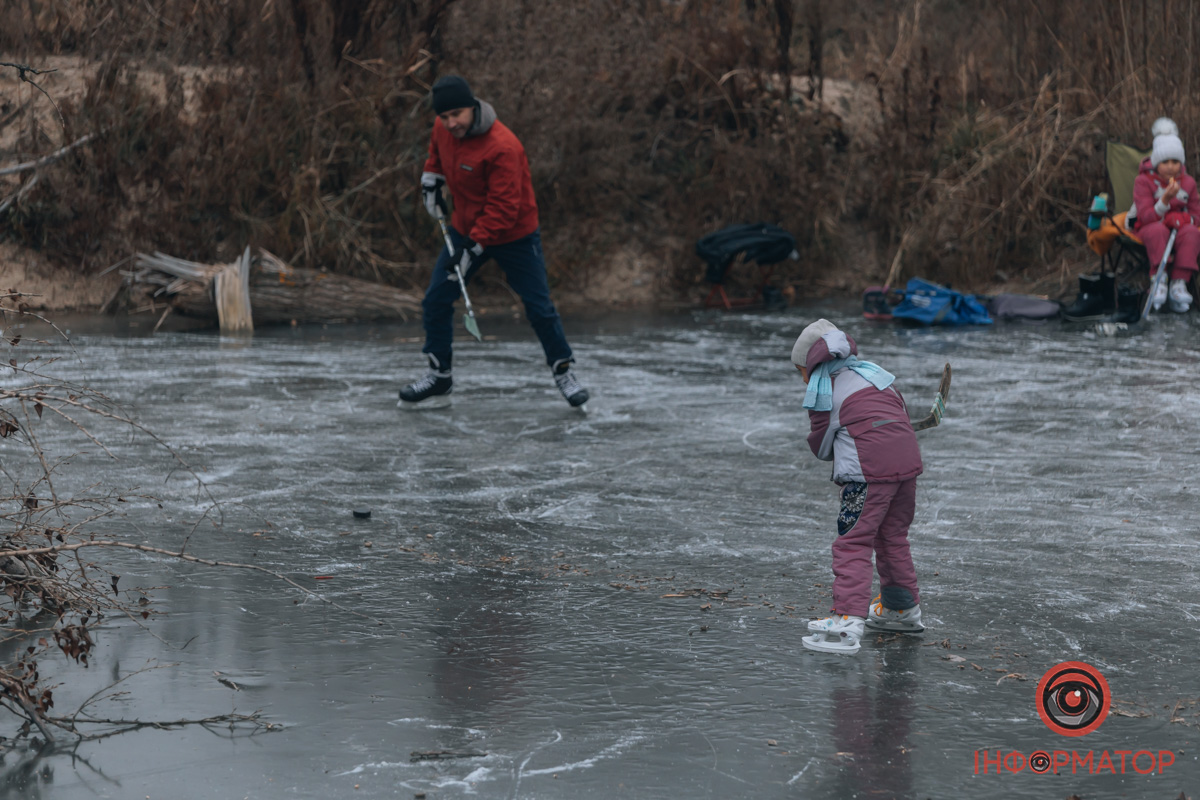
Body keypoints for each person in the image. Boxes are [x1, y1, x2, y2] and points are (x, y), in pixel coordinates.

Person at [399, 75, 589, 410]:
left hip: (515, 234)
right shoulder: (443, 129)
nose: (450, 122)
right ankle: (440, 375)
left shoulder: (504, 146)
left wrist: (471, 250)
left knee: (539, 307)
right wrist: (431, 181)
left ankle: (563, 371)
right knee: (436, 300)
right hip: (463, 227)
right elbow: (436, 157)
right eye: (444, 117)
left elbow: (503, 209)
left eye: (456, 114)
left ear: (472, 107)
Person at [792, 320, 925, 655]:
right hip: (907, 468)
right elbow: (901, 417)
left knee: (853, 543)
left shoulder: (826, 389)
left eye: (799, 370)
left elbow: (821, 445)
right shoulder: (875, 375)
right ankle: (901, 609)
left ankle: (848, 618)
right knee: (892, 536)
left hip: (867, 476)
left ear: (810, 363)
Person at [1130, 117, 1199, 313]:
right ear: (1156, 162)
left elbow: (1196, 214)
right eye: (1165, 162)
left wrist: (1185, 219)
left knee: (1192, 233)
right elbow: (1145, 216)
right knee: (1157, 230)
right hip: (1150, 224)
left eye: (1175, 162)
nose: (1170, 167)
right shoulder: (1143, 182)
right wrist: (1165, 201)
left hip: (1179, 226)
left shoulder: (1188, 183)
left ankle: (1179, 282)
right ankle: (1159, 280)